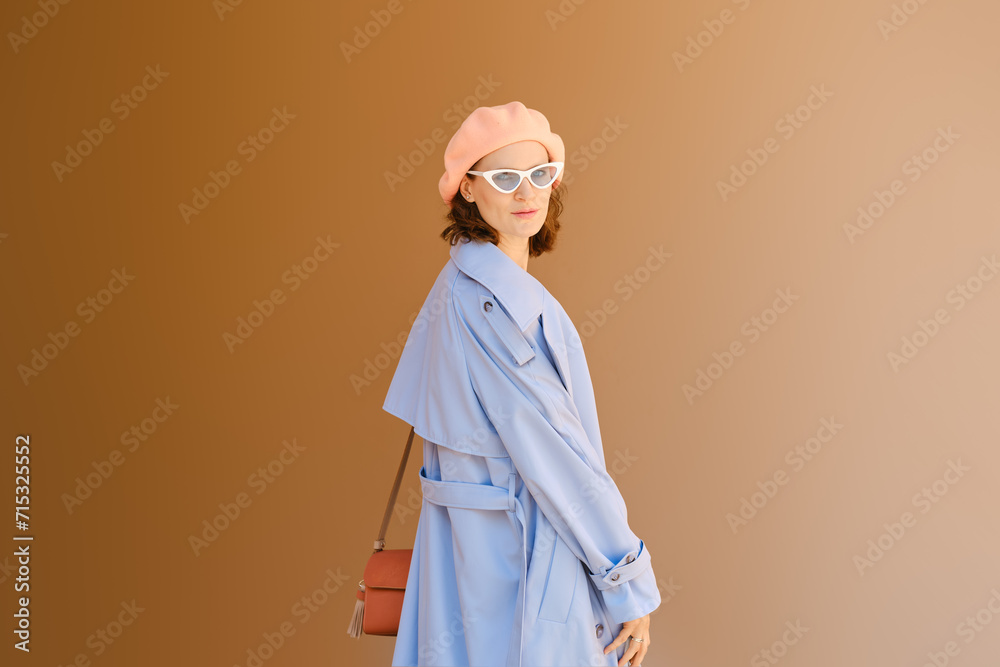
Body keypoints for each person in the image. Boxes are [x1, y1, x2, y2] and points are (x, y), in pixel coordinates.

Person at [383, 101, 661, 667]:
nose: (527, 192)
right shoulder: (492, 307)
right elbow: (555, 456)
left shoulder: (463, 286)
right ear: (467, 188)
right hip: (519, 555)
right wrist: (626, 576)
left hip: (477, 559)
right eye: (505, 178)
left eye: (540, 173)